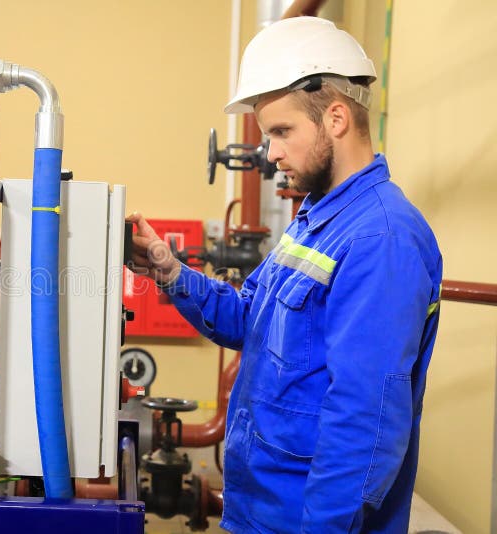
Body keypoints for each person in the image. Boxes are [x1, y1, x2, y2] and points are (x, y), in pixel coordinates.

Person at [128, 17, 442, 533]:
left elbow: (363, 427)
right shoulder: (316, 221)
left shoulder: (380, 239)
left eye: (281, 131)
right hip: (259, 508)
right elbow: (250, 320)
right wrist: (170, 270)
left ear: (336, 118)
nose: (270, 152)